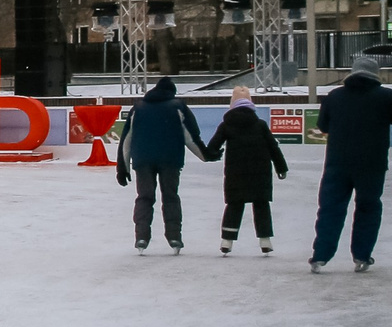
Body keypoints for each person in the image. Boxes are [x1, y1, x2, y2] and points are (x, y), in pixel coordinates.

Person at [310, 63, 392, 272]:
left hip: (337, 162)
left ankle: (320, 256)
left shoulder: (334, 96)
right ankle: (362, 256)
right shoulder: (386, 97)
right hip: (372, 164)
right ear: (376, 74)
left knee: (330, 208)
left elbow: (323, 126)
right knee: (368, 207)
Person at [116, 74, 207, 253]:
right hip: (170, 159)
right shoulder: (178, 106)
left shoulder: (138, 107)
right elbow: (191, 137)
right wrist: (206, 155)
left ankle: (141, 237)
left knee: (144, 197)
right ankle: (174, 237)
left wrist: (123, 167)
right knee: (171, 197)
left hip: (143, 160)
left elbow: (126, 139)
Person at [200, 92, 289, 255]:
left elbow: (212, 147)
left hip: (236, 172)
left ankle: (227, 242)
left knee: (234, 204)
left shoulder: (226, 125)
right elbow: (273, 148)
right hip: (260, 171)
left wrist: (212, 156)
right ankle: (265, 241)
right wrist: (281, 168)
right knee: (261, 204)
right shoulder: (260, 124)